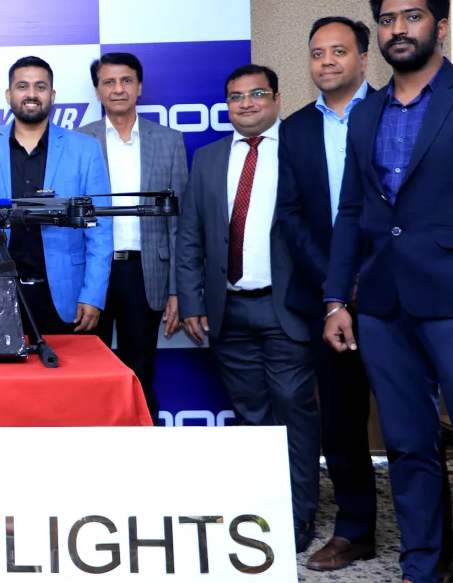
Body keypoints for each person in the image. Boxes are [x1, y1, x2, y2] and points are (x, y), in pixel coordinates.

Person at [323, 0, 453, 581]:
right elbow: (351, 211)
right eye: (388, 19)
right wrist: (336, 299)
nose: (398, 29)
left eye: (412, 17)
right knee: (408, 448)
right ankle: (425, 566)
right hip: (383, 306)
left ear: (440, 27)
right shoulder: (366, 112)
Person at [175, 64, 320, 553]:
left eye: (257, 94)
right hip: (228, 311)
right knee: (250, 416)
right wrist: (192, 299)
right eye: (236, 96)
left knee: (293, 412)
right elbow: (191, 235)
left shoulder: (300, 148)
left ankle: (299, 513)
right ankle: (264, 510)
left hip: (287, 310)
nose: (246, 104)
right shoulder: (209, 158)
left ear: (277, 99)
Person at [274, 16, 380, 571]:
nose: (327, 62)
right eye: (317, 53)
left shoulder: (394, 112)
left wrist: (369, 276)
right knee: (339, 424)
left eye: (339, 51)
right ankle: (355, 530)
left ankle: (435, 541)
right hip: (330, 300)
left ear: (364, 57)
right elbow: (291, 216)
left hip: (395, 294)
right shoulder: (294, 129)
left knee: (413, 424)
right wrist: (337, 284)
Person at [0, 56, 112, 336]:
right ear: (9, 95)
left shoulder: (85, 149)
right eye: (23, 86)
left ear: (52, 95)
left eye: (40, 87)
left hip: (65, 296)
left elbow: (100, 229)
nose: (32, 94)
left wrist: (93, 295)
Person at [78, 52, 188, 424]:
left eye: (126, 80)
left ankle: (142, 445)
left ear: (139, 87)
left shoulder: (169, 141)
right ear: (97, 91)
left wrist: (177, 288)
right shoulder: (80, 141)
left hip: (145, 273)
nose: (118, 89)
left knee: (140, 369)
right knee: (87, 370)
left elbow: (178, 222)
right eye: (108, 82)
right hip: (92, 272)